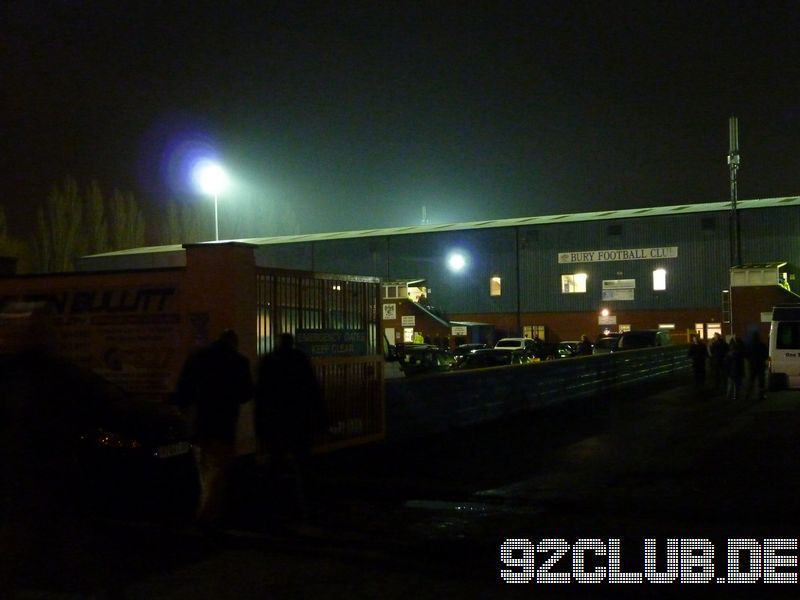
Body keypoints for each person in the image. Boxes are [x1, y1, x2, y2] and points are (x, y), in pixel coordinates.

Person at [175, 329, 252, 528]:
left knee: (203, 470)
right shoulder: (239, 362)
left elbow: (183, 391)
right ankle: (207, 517)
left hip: (200, 424)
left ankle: (206, 512)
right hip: (224, 424)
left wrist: (185, 412)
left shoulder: (198, 358)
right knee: (217, 471)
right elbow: (246, 393)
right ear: (234, 343)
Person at [254, 333, 327, 519]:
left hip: (276, 422)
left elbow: (260, 397)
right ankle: (307, 507)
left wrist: (260, 426)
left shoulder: (268, 362)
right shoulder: (300, 360)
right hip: (299, 422)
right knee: (303, 465)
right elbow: (313, 391)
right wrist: (320, 420)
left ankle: (272, 508)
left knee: (275, 465)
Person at [744, 330, 769, 401]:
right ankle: (761, 395)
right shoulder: (762, 345)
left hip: (752, 365)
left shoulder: (749, 345)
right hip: (760, 365)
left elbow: (746, 355)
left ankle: (747, 395)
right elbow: (766, 355)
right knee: (761, 381)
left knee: (751, 380)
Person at [724, 334, 745, 401]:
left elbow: (727, 365)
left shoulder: (728, 355)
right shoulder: (739, 355)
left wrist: (727, 372)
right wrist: (742, 373)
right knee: (736, 385)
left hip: (731, 372)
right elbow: (742, 365)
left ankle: (728, 397)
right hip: (737, 372)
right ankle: (735, 396)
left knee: (730, 385)